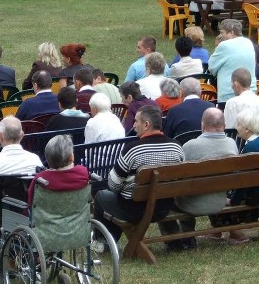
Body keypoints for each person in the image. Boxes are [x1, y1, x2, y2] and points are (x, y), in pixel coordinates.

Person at [93, 105, 184, 244]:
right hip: (164, 207)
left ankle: (103, 242)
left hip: (135, 209)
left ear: (146, 124)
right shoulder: (176, 147)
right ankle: (174, 242)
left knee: (101, 196)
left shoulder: (133, 150)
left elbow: (113, 185)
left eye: (136, 121)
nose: (133, 125)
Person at [160, 108, 238, 249]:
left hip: (192, 204)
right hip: (219, 201)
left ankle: (180, 239)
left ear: (202, 126)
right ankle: (187, 237)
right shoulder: (232, 144)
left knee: (163, 199)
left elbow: (179, 180)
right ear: (224, 126)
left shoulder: (190, 146)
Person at [210, 110, 259, 245]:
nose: (237, 127)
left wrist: (233, 201)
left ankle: (234, 233)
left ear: (247, 128)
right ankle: (217, 232)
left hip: (256, 195)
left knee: (217, 192)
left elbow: (243, 182)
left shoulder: (251, 149)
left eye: (239, 125)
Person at [27, 135, 90, 206]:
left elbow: (31, 202)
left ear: (47, 159)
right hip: (77, 215)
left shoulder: (40, 179)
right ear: (71, 157)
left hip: (46, 216)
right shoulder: (82, 172)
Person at [207, 19, 257, 103]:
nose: (220, 35)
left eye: (222, 32)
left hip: (229, 93)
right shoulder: (248, 42)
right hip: (250, 91)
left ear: (232, 32)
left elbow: (211, 67)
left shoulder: (224, 45)